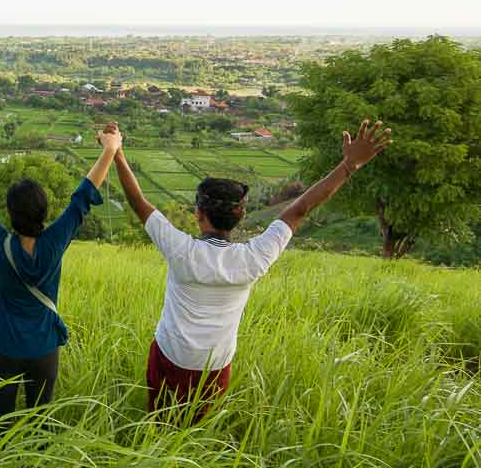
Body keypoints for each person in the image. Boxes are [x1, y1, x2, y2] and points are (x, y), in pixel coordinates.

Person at [108, 119, 393, 422]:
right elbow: (300, 208)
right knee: (194, 431)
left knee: (159, 423)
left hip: (171, 356)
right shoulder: (254, 258)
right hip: (215, 365)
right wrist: (349, 165)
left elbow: (139, 202)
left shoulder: (181, 251)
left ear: (198, 214)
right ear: (240, 217)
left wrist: (117, 153)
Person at [0, 125, 121, 430]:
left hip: (3, 347)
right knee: (40, 421)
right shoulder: (54, 242)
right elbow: (83, 197)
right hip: (43, 348)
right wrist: (110, 149)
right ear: (45, 211)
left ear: (10, 213)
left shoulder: (1, 244)